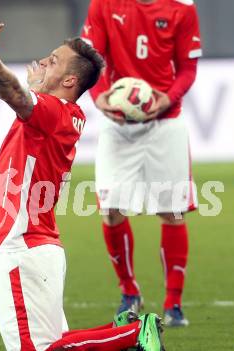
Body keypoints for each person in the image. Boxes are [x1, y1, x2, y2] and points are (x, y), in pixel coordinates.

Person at [0, 16, 169, 351]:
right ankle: (126, 329)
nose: (44, 61)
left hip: (21, 244)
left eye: (53, 60)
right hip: (35, 244)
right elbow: (24, 100)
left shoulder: (53, 112)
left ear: (70, 80)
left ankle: (134, 333)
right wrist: (35, 87)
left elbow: (13, 95)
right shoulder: (61, 114)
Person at [81, 0, 202, 327]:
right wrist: (100, 97)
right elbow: (93, 59)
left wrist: (168, 97)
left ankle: (173, 304)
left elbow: (188, 69)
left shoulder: (182, 7)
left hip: (166, 123)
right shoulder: (103, 4)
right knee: (110, 209)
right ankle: (129, 291)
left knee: (172, 212)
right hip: (118, 126)